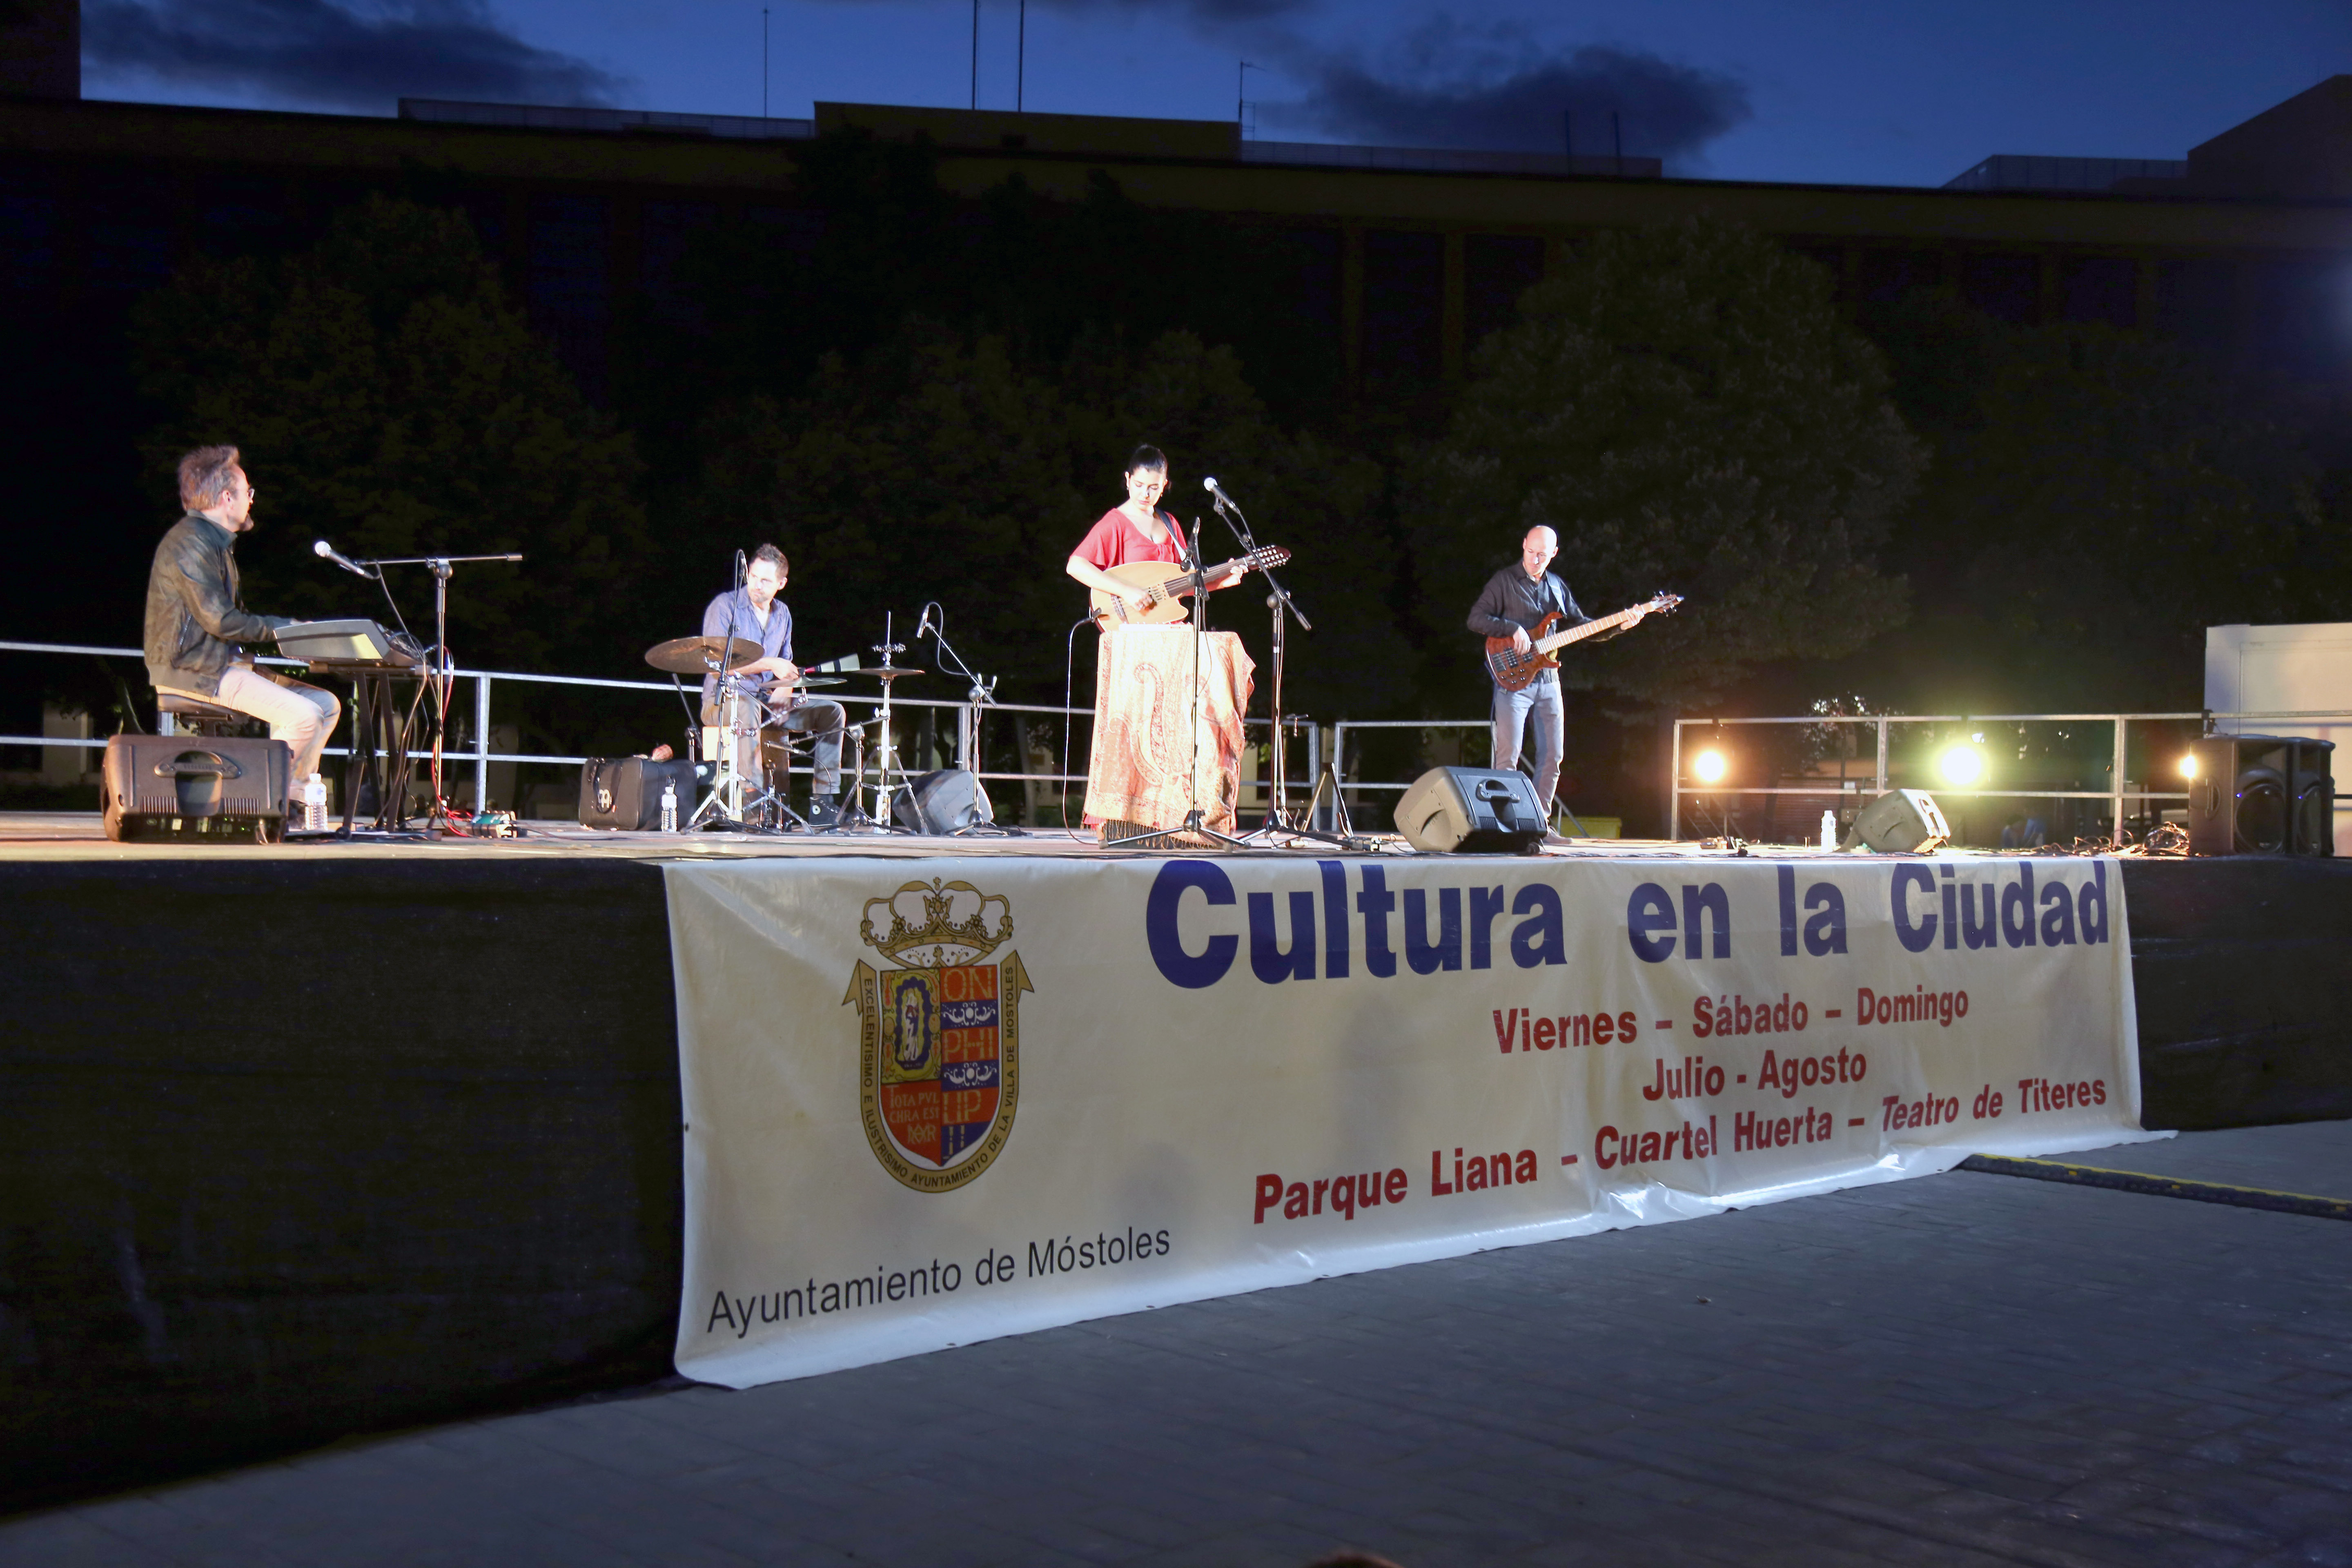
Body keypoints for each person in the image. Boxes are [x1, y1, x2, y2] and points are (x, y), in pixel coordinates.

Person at [144, 445, 341, 797]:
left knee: (326, 705)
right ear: (226, 498)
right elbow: (221, 621)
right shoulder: (191, 542)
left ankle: (291, 795)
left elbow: (230, 622)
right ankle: (266, 799)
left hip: (219, 663)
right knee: (303, 716)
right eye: (248, 492)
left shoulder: (213, 543)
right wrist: (287, 630)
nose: (251, 500)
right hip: (194, 669)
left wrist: (295, 638)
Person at [1466, 525, 1642, 827]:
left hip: (1548, 681)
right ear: (1523, 544)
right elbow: (1476, 620)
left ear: (1555, 554)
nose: (1535, 560)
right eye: (1531, 552)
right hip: (1513, 681)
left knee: (1553, 757)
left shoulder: (1557, 586)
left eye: (1543, 556)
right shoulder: (1504, 581)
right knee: (1508, 757)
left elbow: (1582, 627)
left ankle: (1539, 825)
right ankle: (1504, 827)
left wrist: (1621, 625)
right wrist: (1512, 629)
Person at [700, 544, 846, 826]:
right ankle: (753, 802)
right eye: (753, 576)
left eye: (765, 580)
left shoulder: (783, 614)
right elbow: (717, 665)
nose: (756, 585)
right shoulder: (725, 606)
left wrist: (786, 687)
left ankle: (823, 803)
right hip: (724, 702)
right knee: (746, 707)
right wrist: (768, 663)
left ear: (782, 583)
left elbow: (786, 665)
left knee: (833, 712)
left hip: (766, 704)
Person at [1063, 445, 1242, 623]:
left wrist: (1221, 582)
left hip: (1165, 623)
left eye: (1154, 487)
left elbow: (1182, 583)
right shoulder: (1116, 523)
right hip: (1131, 626)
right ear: (1128, 480)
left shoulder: (1169, 523)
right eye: (1139, 485)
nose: (1145, 494)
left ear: (1164, 485)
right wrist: (1125, 591)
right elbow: (1076, 566)